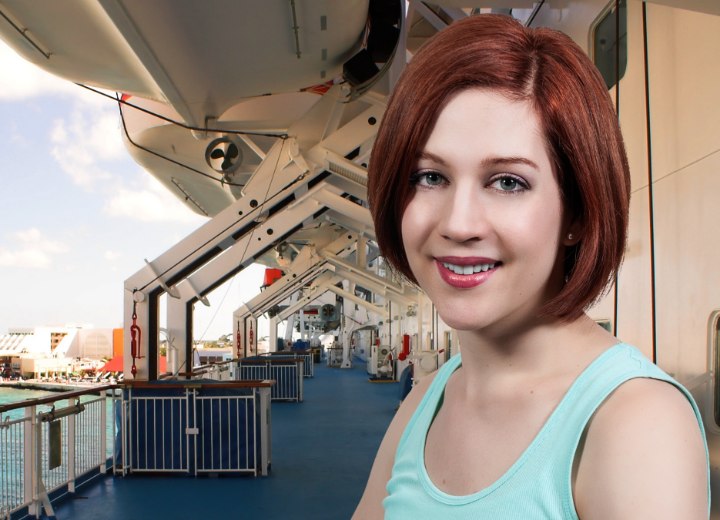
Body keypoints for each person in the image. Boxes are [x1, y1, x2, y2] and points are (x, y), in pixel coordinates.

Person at [353, 14, 709, 519]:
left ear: (577, 213)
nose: (458, 223)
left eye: (507, 182)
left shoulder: (633, 424)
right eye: (430, 176)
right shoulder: (427, 403)